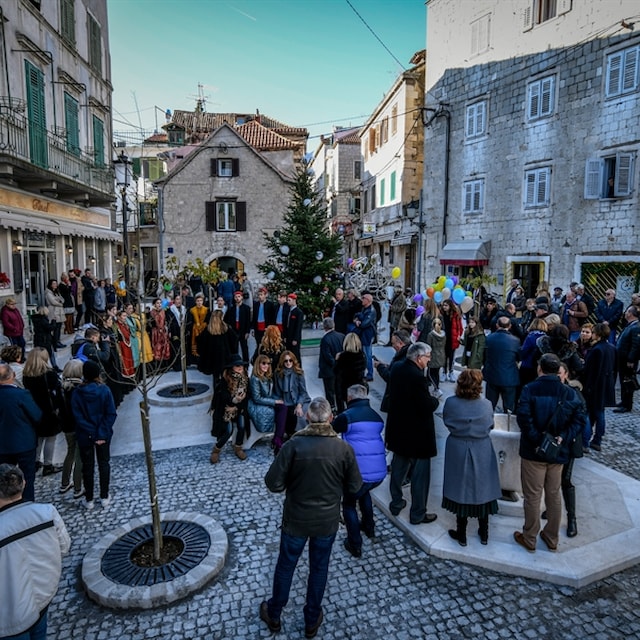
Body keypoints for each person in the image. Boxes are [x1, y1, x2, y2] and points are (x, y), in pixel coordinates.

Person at [260, 397, 362, 638]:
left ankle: (274, 613)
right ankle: (311, 618)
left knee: (286, 566)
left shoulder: (293, 446)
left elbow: (272, 483)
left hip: (296, 518)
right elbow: (355, 485)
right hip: (326, 522)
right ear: (330, 419)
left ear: (307, 417)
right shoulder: (343, 449)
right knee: (319, 567)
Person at [514, 353, 585, 553]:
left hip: (534, 452)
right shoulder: (569, 393)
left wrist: (539, 440)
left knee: (533, 495)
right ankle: (551, 537)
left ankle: (530, 537)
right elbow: (579, 420)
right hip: (557, 451)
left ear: (540, 369)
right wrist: (561, 437)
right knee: (553, 495)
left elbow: (524, 418)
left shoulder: (530, 389)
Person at [0, 464, 70, 640]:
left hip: (10, 616)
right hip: (42, 599)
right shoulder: (47, 512)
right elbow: (64, 547)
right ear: (24, 483)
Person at [442, 369, 501, 545]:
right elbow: (490, 424)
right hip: (481, 446)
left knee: (461, 487)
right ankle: (484, 533)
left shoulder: (451, 402)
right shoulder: (486, 404)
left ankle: (461, 534)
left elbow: (446, 421)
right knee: (483, 486)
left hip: (457, 447)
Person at [385, 342, 440, 524]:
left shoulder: (398, 368)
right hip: (417, 435)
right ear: (418, 358)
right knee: (420, 477)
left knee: (398, 469)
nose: (429, 359)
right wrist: (435, 400)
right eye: (427, 356)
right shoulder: (417, 377)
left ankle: (396, 502)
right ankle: (418, 514)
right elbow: (426, 405)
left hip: (399, 430)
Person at [332, 384, 386, 557]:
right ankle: (369, 528)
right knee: (364, 493)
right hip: (378, 473)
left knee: (348, 504)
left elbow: (332, 428)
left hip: (357, 473)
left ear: (349, 398)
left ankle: (355, 544)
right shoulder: (377, 417)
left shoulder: (346, 416)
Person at [71, 360, 117, 509]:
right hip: (102, 434)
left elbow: (78, 417)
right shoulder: (104, 390)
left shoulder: (77, 392)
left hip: (86, 435)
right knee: (104, 464)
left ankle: (89, 498)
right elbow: (110, 413)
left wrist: (91, 434)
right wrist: (100, 434)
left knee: (88, 467)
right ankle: (104, 496)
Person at [0, 364, 42, 502]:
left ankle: (9, 505)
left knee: (5, 479)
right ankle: (27, 503)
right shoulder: (21, 394)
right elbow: (36, 415)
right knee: (27, 477)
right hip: (24, 442)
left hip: (3, 446)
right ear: (12, 376)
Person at [22, 347, 65, 477]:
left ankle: (36, 462)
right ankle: (48, 464)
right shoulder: (49, 374)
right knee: (50, 438)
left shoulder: (27, 376)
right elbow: (57, 392)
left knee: (39, 438)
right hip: (49, 410)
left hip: (34, 410)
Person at [209, 355, 250, 463]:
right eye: (237, 365)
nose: (240, 367)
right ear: (232, 367)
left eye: (241, 365)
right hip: (225, 410)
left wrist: (236, 406)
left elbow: (246, 398)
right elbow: (223, 398)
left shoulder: (245, 379)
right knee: (228, 431)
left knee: (241, 425)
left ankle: (238, 447)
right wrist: (234, 400)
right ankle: (216, 450)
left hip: (239, 409)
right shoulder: (225, 380)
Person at [583, 323, 617, 451]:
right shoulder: (612, 348)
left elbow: (590, 371)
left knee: (588, 413)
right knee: (599, 413)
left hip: (594, 386)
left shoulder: (596, 350)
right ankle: (597, 440)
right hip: (606, 385)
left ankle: (585, 441)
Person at [272, 351, 310, 454]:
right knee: (283, 412)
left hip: (297, 401)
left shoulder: (299, 373)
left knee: (298, 415)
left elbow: (303, 392)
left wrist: (299, 404)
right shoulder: (277, 373)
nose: (288, 363)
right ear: (282, 362)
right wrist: (278, 400)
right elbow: (276, 391)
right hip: (283, 401)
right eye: (285, 361)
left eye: (290, 360)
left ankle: (294, 438)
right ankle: (279, 439)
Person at [482, 316, 521, 412]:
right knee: (508, 409)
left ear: (497, 325)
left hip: (492, 375)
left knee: (489, 406)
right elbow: (519, 358)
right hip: (509, 378)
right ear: (510, 326)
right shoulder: (515, 341)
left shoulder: (489, 338)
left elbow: (484, 356)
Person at [59, 359, 84, 498]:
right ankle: (78, 487)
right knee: (79, 456)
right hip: (77, 425)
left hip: (66, 426)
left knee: (70, 452)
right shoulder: (78, 389)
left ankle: (64, 483)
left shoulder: (61, 387)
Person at [374, 330, 411, 412]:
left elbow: (390, 377)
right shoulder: (407, 354)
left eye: (393, 343)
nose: (393, 346)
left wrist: (380, 367)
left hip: (398, 400)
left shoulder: (403, 359)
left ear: (400, 343)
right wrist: (387, 366)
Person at [614, 305, 640, 414]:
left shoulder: (636, 327)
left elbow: (636, 345)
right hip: (622, 358)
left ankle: (627, 404)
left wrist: (631, 359)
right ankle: (624, 401)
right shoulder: (630, 325)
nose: (625, 313)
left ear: (631, 314)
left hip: (627, 360)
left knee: (627, 381)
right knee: (623, 380)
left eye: (627, 311)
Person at [248, 354, 282, 434]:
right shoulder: (255, 379)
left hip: (265, 401)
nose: (266, 365)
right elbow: (257, 398)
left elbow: (270, 394)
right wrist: (275, 402)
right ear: (258, 364)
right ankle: (278, 436)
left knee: (284, 406)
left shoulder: (267, 377)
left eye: (268, 363)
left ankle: (280, 435)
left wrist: (278, 399)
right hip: (257, 404)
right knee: (281, 408)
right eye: (263, 363)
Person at [333, 333, 366, 414]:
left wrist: (336, 360)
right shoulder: (362, 355)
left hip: (345, 388)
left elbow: (336, 371)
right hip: (359, 386)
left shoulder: (343, 357)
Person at [318, 317, 344, 413]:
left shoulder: (325, 339)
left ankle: (331, 411)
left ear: (324, 327)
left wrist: (334, 363)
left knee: (330, 393)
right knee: (339, 392)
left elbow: (327, 355)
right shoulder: (341, 336)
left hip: (329, 370)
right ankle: (341, 409)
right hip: (340, 369)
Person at [353, 292, 376, 380]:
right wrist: (357, 320)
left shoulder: (371, 311)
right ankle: (362, 372)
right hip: (362, 334)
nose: (362, 300)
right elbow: (356, 316)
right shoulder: (364, 309)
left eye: (363, 298)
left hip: (367, 335)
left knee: (367, 354)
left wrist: (359, 321)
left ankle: (370, 374)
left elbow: (364, 324)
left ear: (368, 300)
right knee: (363, 354)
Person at [519, 318, 548, 387]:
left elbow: (524, 351)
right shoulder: (546, 337)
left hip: (527, 365)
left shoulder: (530, 337)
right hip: (541, 366)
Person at [225, 289, 251, 362]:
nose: (237, 298)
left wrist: (247, 331)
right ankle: (235, 361)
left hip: (242, 330)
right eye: (236, 297)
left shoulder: (246, 308)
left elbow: (248, 321)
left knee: (244, 347)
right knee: (234, 347)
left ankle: (246, 361)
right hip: (234, 330)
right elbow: (227, 319)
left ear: (242, 297)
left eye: (239, 296)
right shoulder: (231, 309)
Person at [31, 306, 60, 372]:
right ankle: (53, 367)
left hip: (39, 339)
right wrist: (54, 321)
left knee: (42, 355)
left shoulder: (36, 319)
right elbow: (50, 328)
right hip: (44, 340)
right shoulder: (42, 320)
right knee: (50, 354)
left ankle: (44, 367)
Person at [440, 300, 463, 381]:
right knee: (444, 356)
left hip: (452, 338)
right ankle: (444, 372)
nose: (444, 307)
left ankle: (451, 372)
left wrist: (459, 335)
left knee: (451, 356)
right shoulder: (441, 314)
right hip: (443, 338)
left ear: (450, 306)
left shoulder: (455, 315)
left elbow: (460, 327)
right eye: (443, 305)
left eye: (446, 305)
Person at [167, 294, 190, 372]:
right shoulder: (171, 310)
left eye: (180, 299)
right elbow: (170, 322)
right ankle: (177, 366)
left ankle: (184, 364)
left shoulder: (184, 309)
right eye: (177, 299)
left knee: (184, 348)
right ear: (174, 300)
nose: (178, 301)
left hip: (183, 331)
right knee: (176, 349)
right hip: (175, 332)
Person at [251, 287, 276, 352]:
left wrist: (270, 328)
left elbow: (272, 318)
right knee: (259, 344)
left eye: (261, 295)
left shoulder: (270, 305)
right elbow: (254, 317)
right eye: (259, 295)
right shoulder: (256, 304)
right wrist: (253, 328)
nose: (260, 296)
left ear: (266, 295)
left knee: (267, 344)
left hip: (266, 328)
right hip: (258, 328)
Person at [148, 297, 171, 368]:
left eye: (160, 303)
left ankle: (164, 365)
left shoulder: (164, 311)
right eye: (157, 303)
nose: (159, 304)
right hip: (155, 332)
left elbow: (167, 321)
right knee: (157, 347)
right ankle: (157, 366)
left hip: (163, 332)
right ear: (154, 304)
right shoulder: (151, 312)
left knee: (164, 347)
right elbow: (150, 324)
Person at [426, 317, 446, 395]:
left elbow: (428, 346)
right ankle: (436, 388)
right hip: (441, 355)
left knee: (430, 374)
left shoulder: (430, 335)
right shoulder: (444, 335)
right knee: (437, 373)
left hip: (433, 356)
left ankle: (437, 389)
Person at [45, 279, 66, 350]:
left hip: (59, 311)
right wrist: (59, 302)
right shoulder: (48, 293)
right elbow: (53, 302)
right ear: (50, 284)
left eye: (56, 283)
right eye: (53, 283)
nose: (55, 285)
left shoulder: (57, 292)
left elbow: (63, 299)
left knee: (59, 327)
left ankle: (58, 341)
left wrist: (59, 300)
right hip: (53, 311)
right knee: (55, 327)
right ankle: (55, 342)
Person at [284, 293, 304, 361]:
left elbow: (298, 327)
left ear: (294, 300)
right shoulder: (288, 311)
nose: (288, 302)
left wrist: (295, 339)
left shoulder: (299, 312)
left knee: (295, 354)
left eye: (289, 300)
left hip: (294, 337)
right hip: (288, 336)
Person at [189, 293, 209, 361]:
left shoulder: (206, 310)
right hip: (195, 330)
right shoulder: (192, 310)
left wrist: (204, 325)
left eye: (200, 301)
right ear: (195, 302)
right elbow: (190, 320)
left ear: (203, 301)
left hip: (204, 329)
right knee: (195, 343)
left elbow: (207, 320)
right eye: (198, 301)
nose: (199, 302)